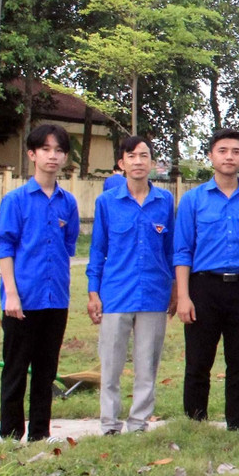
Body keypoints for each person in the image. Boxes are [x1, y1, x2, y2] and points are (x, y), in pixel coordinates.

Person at [173, 129, 239, 432]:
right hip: (203, 288)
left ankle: (236, 424)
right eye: (222, 151)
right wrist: (183, 296)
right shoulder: (193, 200)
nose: (229, 157)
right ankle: (196, 423)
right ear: (211, 156)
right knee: (198, 362)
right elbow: (182, 251)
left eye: (236, 151)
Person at [0, 123, 80, 442]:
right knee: (15, 370)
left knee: (46, 372)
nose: (52, 156)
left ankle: (40, 434)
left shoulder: (68, 203)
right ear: (32, 154)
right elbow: (5, 247)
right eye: (45, 149)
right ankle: (11, 435)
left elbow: (68, 246)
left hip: (55, 300)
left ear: (65, 157)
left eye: (59, 150)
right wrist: (11, 295)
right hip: (22, 300)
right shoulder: (15, 200)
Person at [86, 134, 175, 435]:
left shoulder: (165, 201)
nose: (138, 161)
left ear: (152, 162)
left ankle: (138, 423)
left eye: (144, 155)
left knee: (147, 365)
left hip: (154, 293)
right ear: (121, 163)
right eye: (132, 156)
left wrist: (175, 289)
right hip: (115, 294)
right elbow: (98, 249)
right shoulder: (107, 202)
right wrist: (93, 292)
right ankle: (109, 424)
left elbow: (171, 250)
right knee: (111, 365)